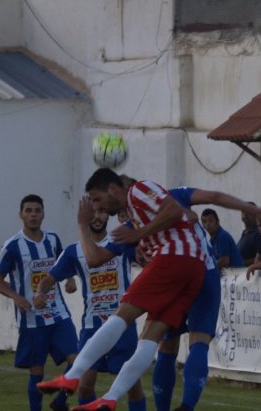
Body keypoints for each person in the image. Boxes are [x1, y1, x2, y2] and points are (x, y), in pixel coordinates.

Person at [37, 169, 209, 411]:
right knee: (153, 337)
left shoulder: (139, 194)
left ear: (116, 189)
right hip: (194, 269)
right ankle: (110, 397)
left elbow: (182, 211)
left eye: (98, 201)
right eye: (93, 206)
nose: (97, 211)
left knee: (125, 319)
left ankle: (72, 376)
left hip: (174, 260)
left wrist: (140, 235)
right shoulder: (124, 226)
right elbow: (93, 258)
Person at [152, 187, 261, 411]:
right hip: (204, 272)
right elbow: (214, 197)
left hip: (173, 272)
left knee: (166, 344)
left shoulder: (140, 216)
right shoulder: (175, 196)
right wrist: (253, 208)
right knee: (199, 341)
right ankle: (186, 407)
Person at [34, 203, 146, 411]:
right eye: (92, 212)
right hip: (91, 325)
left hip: (123, 322)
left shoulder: (120, 241)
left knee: (132, 384)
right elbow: (49, 278)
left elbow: (145, 256)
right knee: (85, 386)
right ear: (84, 215)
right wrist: (41, 292)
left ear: (108, 214)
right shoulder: (74, 251)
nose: (97, 216)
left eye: (102, 211)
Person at [0, 195, 79, 411]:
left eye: (37, 210)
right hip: (32, 319)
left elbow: (65, 263)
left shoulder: (52, 239)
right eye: (28, 210)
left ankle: (59, 401)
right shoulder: (12, 245)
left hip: (59, 313)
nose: (33, 214)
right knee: (37, 371)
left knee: (77, 360)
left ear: (43, 213)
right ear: (21, 214)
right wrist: (17, 297)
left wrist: (69, 279)